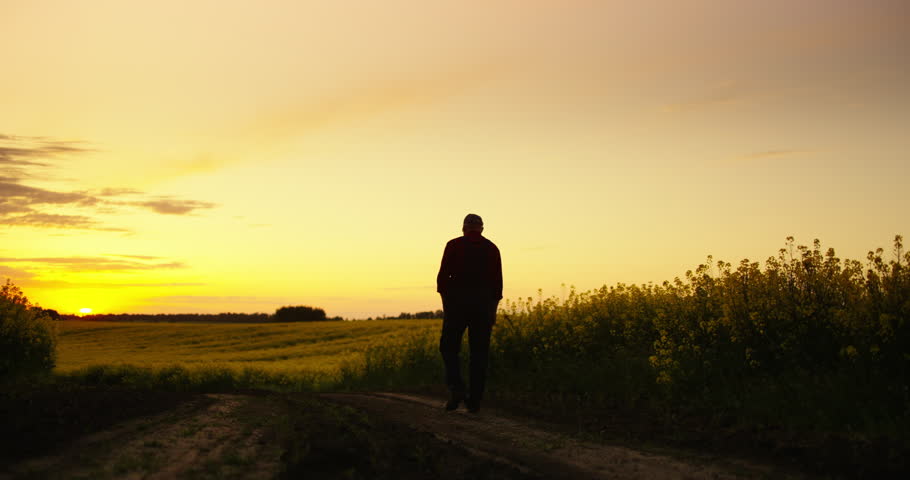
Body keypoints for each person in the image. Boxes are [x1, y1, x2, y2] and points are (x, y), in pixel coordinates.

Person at [436, 213, 503, 413]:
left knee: (448, 348)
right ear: (482, 228)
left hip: (456, 306)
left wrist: (448, 305)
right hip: (483, 307)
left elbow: (442, 281)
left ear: (463, 228)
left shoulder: (454, 245)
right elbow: (497, 287)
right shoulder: (492, 248)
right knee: (479, 355)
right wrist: (492, 312)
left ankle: (456, 388)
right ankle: (474, 403)